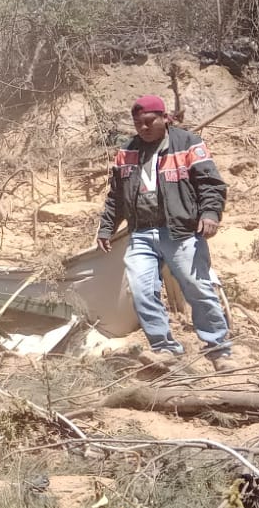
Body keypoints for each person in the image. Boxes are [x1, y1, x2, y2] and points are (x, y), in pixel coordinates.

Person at [96, 94, 233, 367]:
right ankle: (164, 348)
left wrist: (210, 213)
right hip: (141, 233)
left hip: (181, 232)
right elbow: (116, 196)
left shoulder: (188, 143)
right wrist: (107, 227)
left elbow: (210, 184)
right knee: (141, 290)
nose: (143, 127)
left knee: (198, 289)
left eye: (149, 121)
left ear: (165, 118)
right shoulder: (126, 151)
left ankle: (219, 349)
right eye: (138, 123)